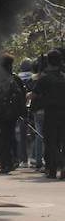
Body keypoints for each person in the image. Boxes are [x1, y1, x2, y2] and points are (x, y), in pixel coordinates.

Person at [29, 50, 65, 179]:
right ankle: (52, 169)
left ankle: (60, 164)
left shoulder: (45, 77)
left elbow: (33, 94)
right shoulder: (63, 77)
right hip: (63, 112)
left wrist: (26, 94)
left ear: (48, 63)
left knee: (50, 142)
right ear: (60, 62)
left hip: (50, 112)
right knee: (60, 141)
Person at [0, 54, 27, 174]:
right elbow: (23, 97)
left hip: (0, 112)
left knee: (2, 138)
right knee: (11, 135)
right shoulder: (15, 78)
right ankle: (14, 159)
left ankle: (6, 163)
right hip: (13, 114)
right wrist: (23, 113)